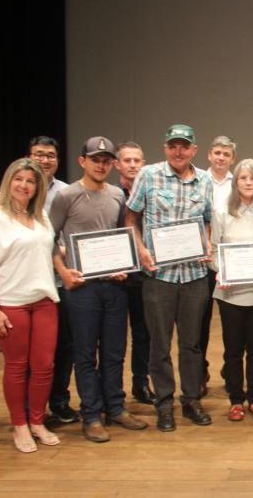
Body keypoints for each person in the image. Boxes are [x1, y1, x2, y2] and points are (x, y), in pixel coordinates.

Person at [50, 137, 148, 442]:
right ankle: (91, 414)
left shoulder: (118, 195)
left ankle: (115, 407)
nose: (101, 165)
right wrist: (63, 272)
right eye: (96, 159)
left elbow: (123, 236)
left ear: (112, 164)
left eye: (106, 160)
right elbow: (49, 238)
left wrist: (126, 263)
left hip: (114, 286)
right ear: (83, 162)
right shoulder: (66, 196)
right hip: (81, 289)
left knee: (115, 351)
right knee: (84, 353)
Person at [125, 124, 215, 432]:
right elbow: (131, 217)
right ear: (165, 148)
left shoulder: (204, 181)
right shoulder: (148, 176)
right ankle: (164, 403)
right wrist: (141, 250)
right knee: (159, 345)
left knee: (192, 344)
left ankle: (191, 400)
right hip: (159, 276)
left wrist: (207, 243)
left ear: (194, 149)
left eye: (184, 146)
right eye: (173, 145)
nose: (179, 151)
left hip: (194, 276)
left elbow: (207, 222)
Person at [0, 158, 61, 452]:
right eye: (19, 179)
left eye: (31, 181)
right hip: (12, 304)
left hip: (45, 301)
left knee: (45, 366)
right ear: (9, 181)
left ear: (38, 187)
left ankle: (36, 421)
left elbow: (48, 254)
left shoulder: (41, 217)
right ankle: (19, 426)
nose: (24, 185)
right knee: (17, 367)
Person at [210, 159, 253, 422]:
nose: (248, 183)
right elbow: (215, 251)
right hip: (231, 294)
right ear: (235, 182)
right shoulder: (221, 212)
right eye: (243, 178)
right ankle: (236, 399)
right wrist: (221, 271)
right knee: (234, 350)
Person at [29, 136, 78, 425]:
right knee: (34, 351)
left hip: (63, 281)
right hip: (27, 282)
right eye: (39, 154)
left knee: (64, 347)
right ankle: (30, 407)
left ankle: (58, 400)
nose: (45, 160)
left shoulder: (66, 192)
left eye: (50, 155)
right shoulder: (18, 190)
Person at [115, 141, 155, 405]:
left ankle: (141, 383)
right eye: (127, 160)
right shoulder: (110, 194)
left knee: (144, 333)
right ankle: (114, 391)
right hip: (115, 276)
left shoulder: (149, 192)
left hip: (143, 274)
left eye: (137, 161)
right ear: (117, 164)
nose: (132, 165)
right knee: (115, 337)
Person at [201, 135, 238, 395]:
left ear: (232, 158)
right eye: (217, 153)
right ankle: (199, 373)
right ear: (209, 155)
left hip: (233, 264)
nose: (221, 157)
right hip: (202, 261)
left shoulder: (241, 183)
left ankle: (230, 370)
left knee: (231, 322)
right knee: (200, 323)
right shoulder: (198, 181)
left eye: (226, 154)